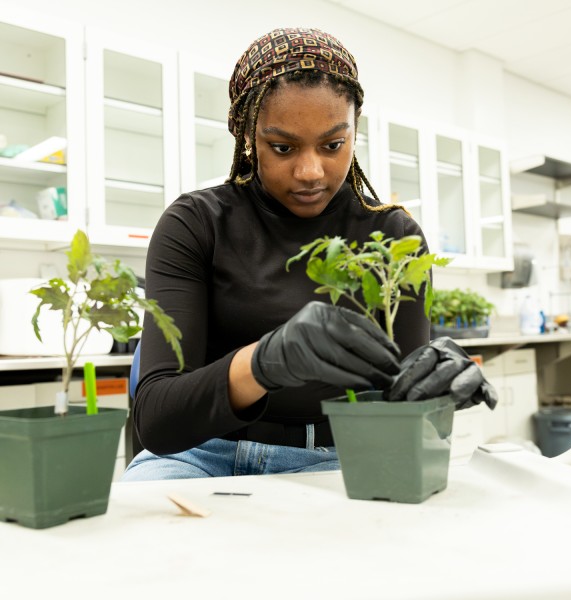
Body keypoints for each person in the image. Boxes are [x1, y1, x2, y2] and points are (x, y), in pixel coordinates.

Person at [122, 27, 448, 481]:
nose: (311, 171)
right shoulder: (195, 224)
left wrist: (440, 385)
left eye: (334, 145)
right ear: (247, 136)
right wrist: (263, 362)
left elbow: (411, 413)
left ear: (355, 132)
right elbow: (156, 420)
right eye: (283, 147)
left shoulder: (392, 237)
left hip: (341, 455)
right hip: (201, 455)